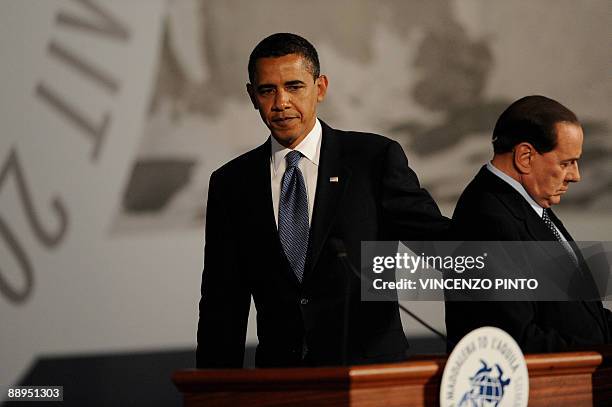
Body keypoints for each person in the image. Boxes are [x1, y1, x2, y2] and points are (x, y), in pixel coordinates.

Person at [196, 33, 449, 368]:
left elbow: (443, 247)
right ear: (251, 96)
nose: (281, 102)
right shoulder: (232, 183)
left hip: (370, 375)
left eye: (294, 86)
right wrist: (213, 393)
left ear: (321, 87)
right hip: (283, 381)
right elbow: (222, 303)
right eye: (267, 90)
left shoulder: (372, 159)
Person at [446, 95, 611, 352]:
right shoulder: (488, 219)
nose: (576, 176)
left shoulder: (527, 205)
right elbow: (515, 340)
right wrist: (601, 352)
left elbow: (577, 315)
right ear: (525, 156)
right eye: (566, 163)